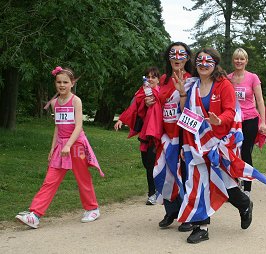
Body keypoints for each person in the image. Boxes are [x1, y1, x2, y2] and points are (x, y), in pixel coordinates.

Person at [176, 48, 266, 243]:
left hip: (221, 142)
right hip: (196, 144)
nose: (203, 64)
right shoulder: (192, 86)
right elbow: (186, 117)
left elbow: (231, 111)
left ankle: (244, 203)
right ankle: (201, 227)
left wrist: (219, 121)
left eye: (207, 60)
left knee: (223, 182)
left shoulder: (223, 84)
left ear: (215, 63)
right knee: (198, 183)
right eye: (199, 60)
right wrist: (185, 147)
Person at [15, 66, 104, 229]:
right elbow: (58, 126)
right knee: (50, 180)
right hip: (61, 146)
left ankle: (92, 208)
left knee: (82, 177)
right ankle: (35, 215)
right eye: (59, 82)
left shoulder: (76, 101)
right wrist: (53, 148)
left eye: (65, 82)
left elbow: (78, 126)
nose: (61, 85)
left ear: (72, 83)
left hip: (76, 145)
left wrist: (69, 145)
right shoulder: (55, 103)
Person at [151, 42, 193, 232]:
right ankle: (171, 211)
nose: (177, 57)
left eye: (181, 54)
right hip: (166, 134)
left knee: (185, 174)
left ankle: (189, 215)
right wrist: (150, 100)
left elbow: (192, 109)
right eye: (173, 54)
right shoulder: (163, 79)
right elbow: (159, 104)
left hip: (184, 135)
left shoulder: (193, 79)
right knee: (166, 172)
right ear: (169, 58)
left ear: (187, 58)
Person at [114, 67, 162, 205]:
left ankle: (154, 193)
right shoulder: (141, 93)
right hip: (145, 133)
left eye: (153, 77)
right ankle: (155, 191)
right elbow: (133, 108)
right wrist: (121, 119)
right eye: (148, 77)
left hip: (158, 133)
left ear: (158, 79)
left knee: (154, 164)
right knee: (147, 164)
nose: (150, 79)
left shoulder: (163, 93)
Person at [228, 48, 266, 197]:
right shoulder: (228, 78)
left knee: (245, 151)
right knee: (232, 151)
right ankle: (234, 183)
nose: (239, 61)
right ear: (233, 60)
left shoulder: (252, 78)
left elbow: (260, 100)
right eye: (236, 59)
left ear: (246, 61)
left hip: (250, 118)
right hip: (233, 120)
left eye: (242, 59)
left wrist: (263, 122)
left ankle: (247, 187)